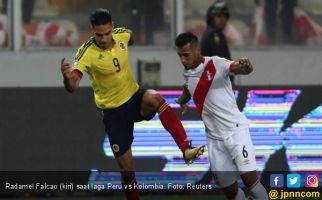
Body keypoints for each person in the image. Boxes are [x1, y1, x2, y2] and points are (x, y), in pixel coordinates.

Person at [60, 9, 204, 200]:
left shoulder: (122, 35)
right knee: (127, 170)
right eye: (98, 35)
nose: (103, 39)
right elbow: (73, 86)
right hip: (113, 113)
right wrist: (67, 78)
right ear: (92, 30)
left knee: (156, 98)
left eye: (107, 33)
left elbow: (130, 38)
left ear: (112, 27)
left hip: (134, 97)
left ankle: (186, 148)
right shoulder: (85, 53)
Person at [175, 32, 268, 200]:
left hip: (235, 131)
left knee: (250, 181)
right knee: (229, 190)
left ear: (197, 50)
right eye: (179, 56)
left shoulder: (216, 63)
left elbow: (238, 67)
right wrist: (183, 99)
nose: (182, 60)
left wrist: (247, 67)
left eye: (186, 55)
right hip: (214, 140)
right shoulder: (187, 72)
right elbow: (188, 85)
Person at [200, 0, 234, 85]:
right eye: (219, 16)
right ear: (212, 18)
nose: (223, 20)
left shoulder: (214, 33)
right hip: (216, 83)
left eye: (225, 17)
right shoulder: (214, 35)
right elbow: (221, 62)